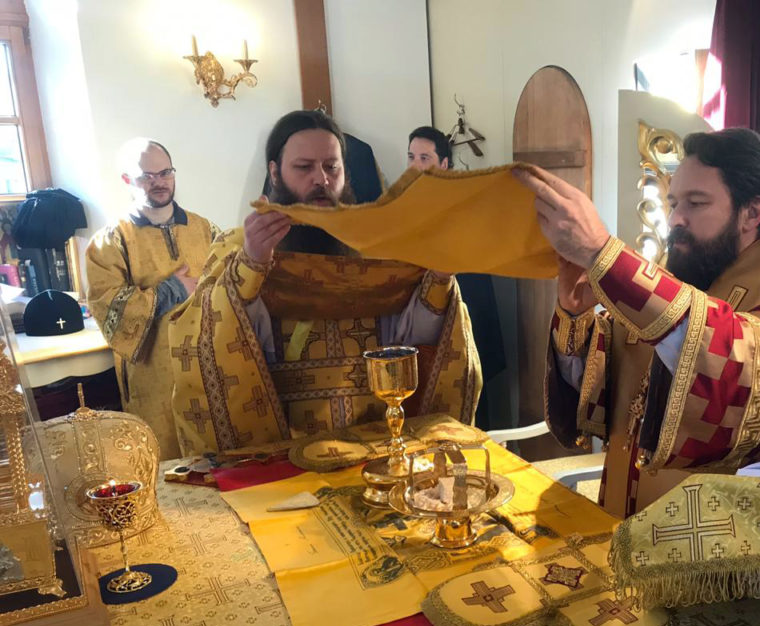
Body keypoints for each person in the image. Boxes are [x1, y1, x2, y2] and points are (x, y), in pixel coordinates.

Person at [516, 127, 760, 518]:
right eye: (673, 201)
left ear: (752, 212)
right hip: (619, 527)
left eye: (696, 203)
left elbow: (731, 366)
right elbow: (599, 398)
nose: (675, 218)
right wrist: (575, 313)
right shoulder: (674, 290)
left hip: (711, 556)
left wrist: (602, 253)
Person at [170, 110, 480, 454]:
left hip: (374, 435)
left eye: (332, 167)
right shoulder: (236, 245)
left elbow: (411, 339)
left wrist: (439, 276)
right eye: (304, 167)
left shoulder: (378, 246)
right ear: (275, 172)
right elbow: (211, 340)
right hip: (283, 441)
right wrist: (251, 265)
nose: (321, 179)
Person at [85, 138, 216, 459]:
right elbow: (107, 306)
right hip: (153, 373)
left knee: (217, 458)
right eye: (147, 176)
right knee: (165, 464)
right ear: (127, 180)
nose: (159, 182)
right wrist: (172, 291)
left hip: (207, 367)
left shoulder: (204, 229)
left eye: (165, 173)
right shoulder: (110, 241)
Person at [405, 125, 507, 429]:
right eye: (411, 157)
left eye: (424, 157)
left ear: (444, 164)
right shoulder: (403, 206)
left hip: (464, 310)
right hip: (422, 320)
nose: (415, 165)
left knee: (470, 397)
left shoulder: (463, 203)